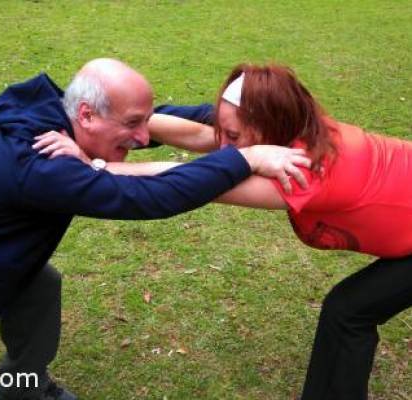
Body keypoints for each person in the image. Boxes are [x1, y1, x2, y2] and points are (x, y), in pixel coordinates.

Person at [0, 59, 310, 400]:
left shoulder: (58, 112)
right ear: (86, 115)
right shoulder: (41, 162)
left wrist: (253, 120)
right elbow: (149, 196)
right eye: (133, 123)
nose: (142, 137)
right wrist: (246, 157)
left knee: (39, 287)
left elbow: (162, 120)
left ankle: (21, 387)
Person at [36, 63, 412, 400]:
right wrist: (94, 117)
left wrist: (93, 165)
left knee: (348, 313)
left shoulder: (303, 169)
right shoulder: (294, 122)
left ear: (268, 131)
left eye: (234, 135)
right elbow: (203, 134)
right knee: (346, 311)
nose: (223, 144)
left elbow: (184, 181)